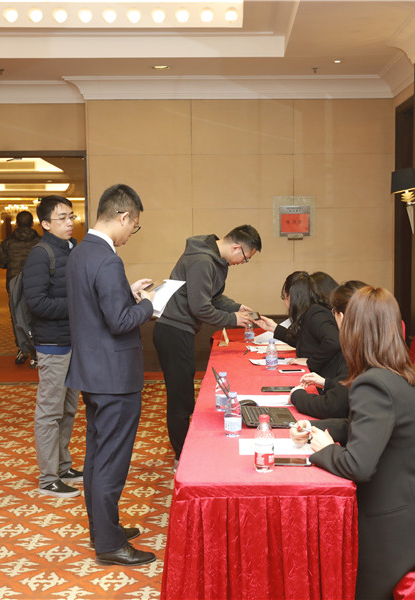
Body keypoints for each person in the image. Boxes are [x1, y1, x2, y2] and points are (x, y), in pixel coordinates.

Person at [290, 286, 415, 599]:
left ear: (354, 332)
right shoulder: (399, 372)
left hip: (409, 531)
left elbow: (358, 465)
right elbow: (362, 427)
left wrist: (324, 449)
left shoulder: (372, 385)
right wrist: (315, 428)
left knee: (328, 558)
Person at [65, 184, 156, 567]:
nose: (131, 233)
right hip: (115, 376)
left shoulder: (81, 252)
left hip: (92, 371)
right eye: (134, 226)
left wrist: (126, 293)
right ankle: (109, 545)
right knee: (111, 462)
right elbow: (119, 321)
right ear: (124, 217)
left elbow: (97, 306)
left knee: (97, 456)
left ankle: (103, 529)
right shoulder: (107, 259)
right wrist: (149, 305)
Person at [154, 225, 262, 465]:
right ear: (236, 247)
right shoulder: (203, 260)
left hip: (180, 331)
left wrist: (235, 307)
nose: (242, 263)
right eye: (245, 258)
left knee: (183, 396)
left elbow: (212, 297)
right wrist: (233, 319)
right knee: (180, 399)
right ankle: (182, 456)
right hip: (173, 331)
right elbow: (200, 307)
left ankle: (185, 449)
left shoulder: (213, 258)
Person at [23, 196, 82, 499]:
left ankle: (62, 465)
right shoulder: (40, 254)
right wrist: (78, 305)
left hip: (73, 340)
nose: (70, 222)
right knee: (49, 412)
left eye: (71, 216)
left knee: (68, 408)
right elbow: (37, 303)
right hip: (52, 343)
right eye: (62, 218)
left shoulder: (71, 249)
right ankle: (48, 478)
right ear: (46, 224)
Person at [289, 280, 367, 420]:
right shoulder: (370, 345)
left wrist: (297, 395)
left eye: (333, 312)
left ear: (341, 317)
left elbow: (332, 406)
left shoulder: (354, 351)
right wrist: (327, 383)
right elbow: (350, 388)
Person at [256, 271, 347, 389]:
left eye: (284, 297)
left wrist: (311, 362)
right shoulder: (308, 312)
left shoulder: (315, 313)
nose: (285, 303)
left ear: (292, 296)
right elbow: (304, 341)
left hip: (327, 380)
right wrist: (274, 328)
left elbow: (334, 340)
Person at [0, 209, 41, 366]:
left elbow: (0, 262)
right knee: (35, 318)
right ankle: (35, 352)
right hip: (36, 283)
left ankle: (23, 348)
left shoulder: (8, 242)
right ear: (32, 223)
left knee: (17, 317)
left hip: (14, 283)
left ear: (16, 223)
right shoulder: (40, 241)